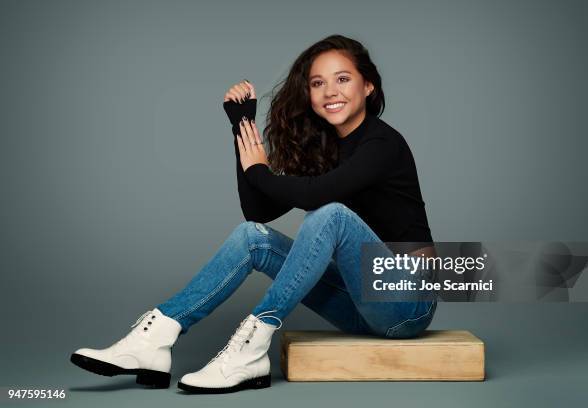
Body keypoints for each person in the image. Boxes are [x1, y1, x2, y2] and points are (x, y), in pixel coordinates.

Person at [70, 34, 437, 394]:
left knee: (331, 215)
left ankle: (250, 347)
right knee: (253, 237)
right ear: (308, 95)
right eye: (317, 83)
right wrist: (241, 126)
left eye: (343, 79)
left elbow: (317, 197)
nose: (330, 92)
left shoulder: (382, 144)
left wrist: (260, 171)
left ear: (368, 85)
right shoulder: (327, 148)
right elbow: (258, 210)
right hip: (357, 306)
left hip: (407, 304)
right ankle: (154, 339)